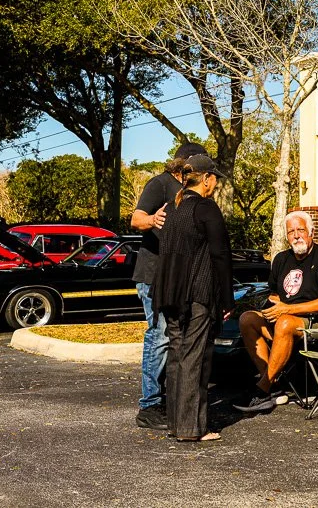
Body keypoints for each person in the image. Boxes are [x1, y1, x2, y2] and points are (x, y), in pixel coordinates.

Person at [152, 154, 234, 442]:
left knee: (177, 355)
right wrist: (227, 299)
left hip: (169, 291)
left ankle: (176, 424)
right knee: (194, 357)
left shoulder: (172, 208)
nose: (215, 184)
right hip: (197, 291)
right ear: (206, 179)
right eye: (214, 179)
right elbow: (220, 254)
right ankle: (191, 428)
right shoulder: (205, 207)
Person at [130, 142, 208, 431]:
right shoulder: (160, 184)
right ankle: (149, 405)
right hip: (153, 275)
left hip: (177, 277)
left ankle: (168, 399)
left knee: (175, 336)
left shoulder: (189, 192)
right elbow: (136, 218)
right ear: (184, 164)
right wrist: (152, 219)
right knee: (159, 335)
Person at [234, 210, 318, 413]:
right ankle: (273, 385)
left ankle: (262, 389)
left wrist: (289, 309)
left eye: (300, 230)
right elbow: (275, 294)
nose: (296, 235)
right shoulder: (281, 259)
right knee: (247, 319)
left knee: (285, 322)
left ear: (311, 232)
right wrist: (273, 306)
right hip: (286, 319)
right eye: (291, 232)